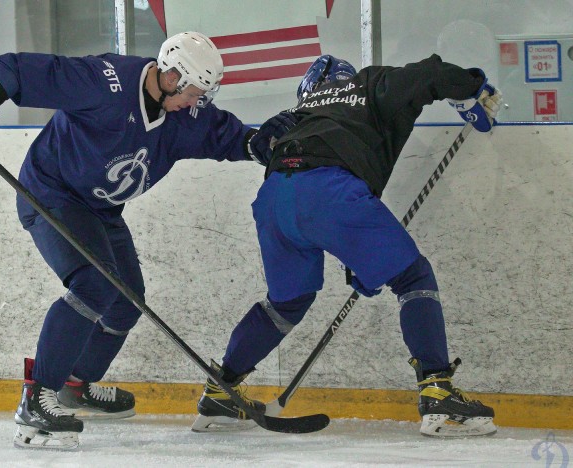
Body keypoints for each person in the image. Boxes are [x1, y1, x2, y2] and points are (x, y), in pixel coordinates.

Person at [0, 31, 294, 450]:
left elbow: (232, 139)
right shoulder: (103, 81)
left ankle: (75, 384)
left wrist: (267, 145)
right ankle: (38, 397)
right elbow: (18, 71)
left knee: (127, 300)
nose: (196, 102)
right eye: (194, 91)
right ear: (172, 77)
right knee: (95, 283)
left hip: (100, 211)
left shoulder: (185, 114)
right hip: (52, 195)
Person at [193, 54, 503, 437]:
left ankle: (221, 392)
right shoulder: (367, 85)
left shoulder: (300, 111)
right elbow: (430, 73)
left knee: (287, 303)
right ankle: (439, 395)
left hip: (275, 197)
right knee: (413, 277)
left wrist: (359, 256)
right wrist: (473, 89)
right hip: (328, 191)